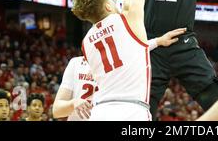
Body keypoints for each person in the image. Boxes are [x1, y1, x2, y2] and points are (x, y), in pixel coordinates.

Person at [52, 30, 183, 121]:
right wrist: (74, 103)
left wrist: (158, 41)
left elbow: (137, 49)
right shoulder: (75, 63)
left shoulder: (116, 63)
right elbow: (57, 111)